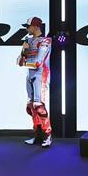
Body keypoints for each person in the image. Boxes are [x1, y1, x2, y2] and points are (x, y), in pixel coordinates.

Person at [18, 17, 52, 148]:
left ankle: (47, 135)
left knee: (39, 105)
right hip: (30, 75)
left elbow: (38, 62)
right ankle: (38, 135)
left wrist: (26, 61)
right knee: (31, 106)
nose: (27, 29)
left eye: (28, 26)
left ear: (36, 26)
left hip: (41, 75)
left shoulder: (45, 41)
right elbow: (19, 62)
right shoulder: (28, 41)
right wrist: (24, 51)